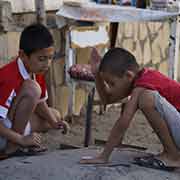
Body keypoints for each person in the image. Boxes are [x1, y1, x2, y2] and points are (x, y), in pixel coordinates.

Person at [80, 47, 180, 168]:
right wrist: (97, 75)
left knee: (146, 98)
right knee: (145, 97)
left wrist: (104, 156)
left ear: (128, 75)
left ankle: (172, 155)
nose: (111, 88)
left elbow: (123, 122)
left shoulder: (143, 86)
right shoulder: (139, 80)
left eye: (112, 83)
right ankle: (171, 153)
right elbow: (107, 99)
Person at [0, 23, 69, 157]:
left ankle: (17, 143)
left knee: (54, 115)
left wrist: (55, 123)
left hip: (9, 127)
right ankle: (12, 148)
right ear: (23, 55)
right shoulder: (8, 76)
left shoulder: (36, 69)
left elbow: (40, 103)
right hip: (3, 133)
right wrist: (21, 139)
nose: (47, 64)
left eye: (50, 58)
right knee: (32, 89)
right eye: (42, 59)